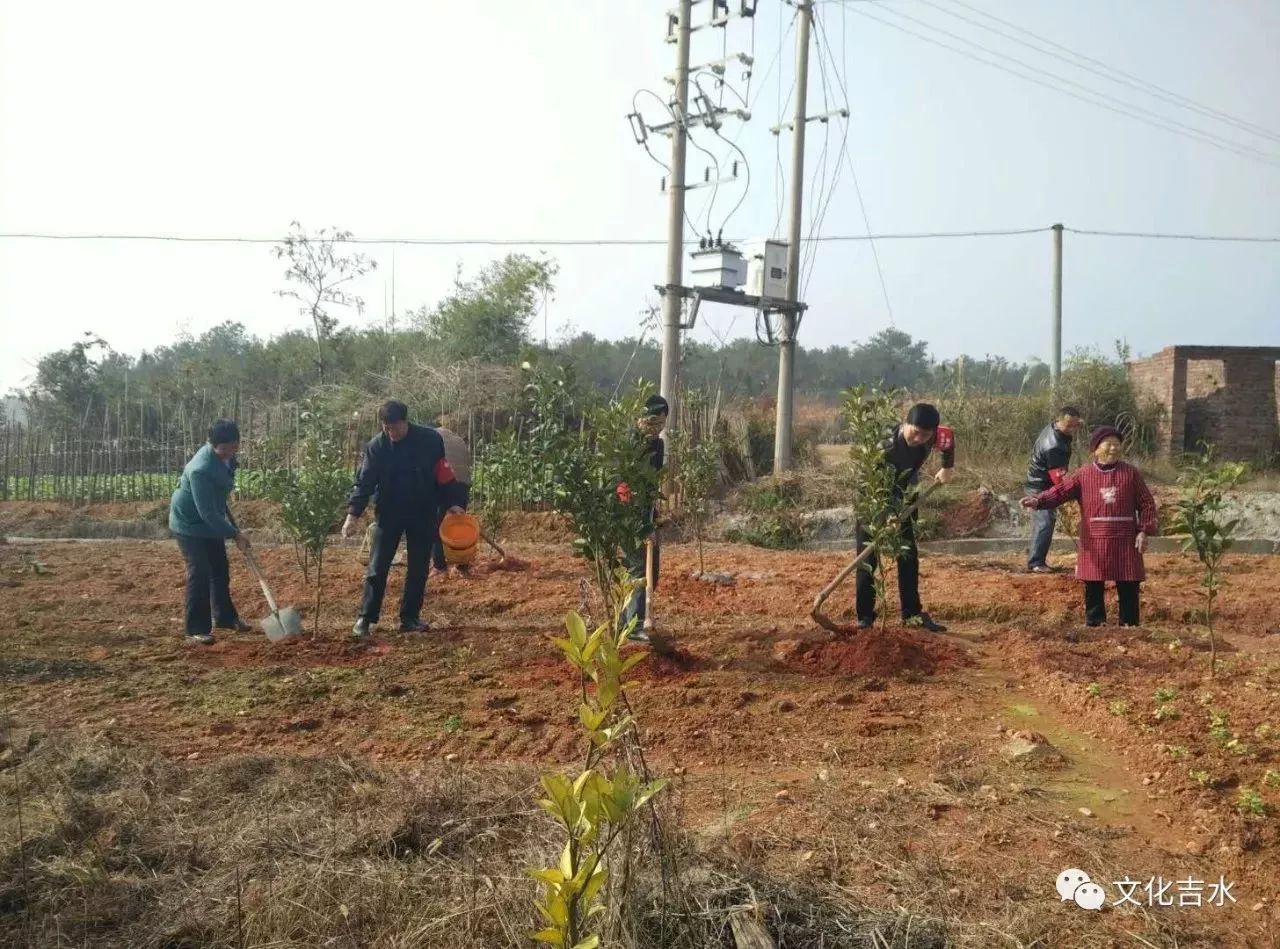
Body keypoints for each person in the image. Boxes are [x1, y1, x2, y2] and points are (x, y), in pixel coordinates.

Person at [341, 401, 465, 639]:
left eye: (395, 427)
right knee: (377, 567)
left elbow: (443, 473)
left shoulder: (430, 441)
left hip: (423, 511)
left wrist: (452, 502)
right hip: (389, 513)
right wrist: (352, 516)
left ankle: (409, 618)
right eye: (386, 428)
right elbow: (364, 482)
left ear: (406, 421)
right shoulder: (376, 447)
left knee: (418, 568)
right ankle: (365, 618)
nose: (391, 433)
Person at [1021, 425, 1158, 627]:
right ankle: (1095, 624)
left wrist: (1144, 531)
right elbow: (1059, 492)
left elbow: (1147, 503)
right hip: (1094, 540)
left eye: (1117, 444)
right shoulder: (1083, 475)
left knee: (1129, 583)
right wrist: (1037, 500)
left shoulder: (1131, 474)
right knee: (1093, 583)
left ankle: (1129, 626)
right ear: (1095, 449)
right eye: (1108, 444)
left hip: (1126, 540)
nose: (1113, 449)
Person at [855, 402, 956, 632]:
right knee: (867, 557)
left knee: (908, 554)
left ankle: (911, 614)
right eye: (915, 432)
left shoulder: (933, 435)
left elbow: (948, 438)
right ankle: (865, 619)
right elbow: (871, 484)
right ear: (905, 422)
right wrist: (887, 514)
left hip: (906, 493)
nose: (919, 438)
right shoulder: (884, 446)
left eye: (925, 434)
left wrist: (947, 467)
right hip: (873, 498)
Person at [168, 419, 252, 645]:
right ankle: (195, 630)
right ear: (211, 444)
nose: (228, 453)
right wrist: (234, 533)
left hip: (211, 518)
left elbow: (220, 492)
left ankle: (225, 618)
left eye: (233, 447)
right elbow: (206, 513)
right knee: (200, 571)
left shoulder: (228, 457)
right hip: (189, 523)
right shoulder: (200, 469)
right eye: (223, 449)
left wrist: (230, 525)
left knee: (220, 569)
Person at [620, 394, 668, 642]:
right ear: (641, 420)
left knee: (651, 570)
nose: (656, 429)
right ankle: (635, 625)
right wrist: (639, 522)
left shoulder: (657, 446)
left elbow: (651, 485)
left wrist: (653, 516)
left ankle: (625, 623)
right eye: (652, 423)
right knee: (638, 568)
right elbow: (622, 486)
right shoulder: (630, 445)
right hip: (628, 517)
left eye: (660, 425)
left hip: (646, 513)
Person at [1025, 406, 1084, 573]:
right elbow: (1059, 481)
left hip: (1041, 481)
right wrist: (1071, 495)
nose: (1072, 428)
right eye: (1069, 425)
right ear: (1059, 420)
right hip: (1040, 486)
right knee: (1045, 522)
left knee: (1044, 522)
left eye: (1075, 425)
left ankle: (1036, 559)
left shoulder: (1054, 427)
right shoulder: (1054, 445)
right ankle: (1036, 563)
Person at [431, 426, 474, 578]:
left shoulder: (431, 438)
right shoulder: (458, 439)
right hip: (463, 485)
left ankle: (439, 566)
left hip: (445, 483)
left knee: (437, 526)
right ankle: (462, 566)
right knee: (459, 526)